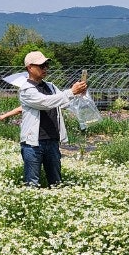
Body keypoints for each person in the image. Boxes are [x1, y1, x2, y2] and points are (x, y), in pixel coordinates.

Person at [17, 50, 87, 187]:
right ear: (30, 68)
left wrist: (78, 94)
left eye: (46, 65)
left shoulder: (51, 86)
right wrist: (71, 92)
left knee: (56, 182)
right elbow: (45, 103)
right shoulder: (26, 90)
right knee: (32, 183)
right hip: (33, 143)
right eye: (41, 66)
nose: (45, 68)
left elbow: (65, 102)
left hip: (52, 141)